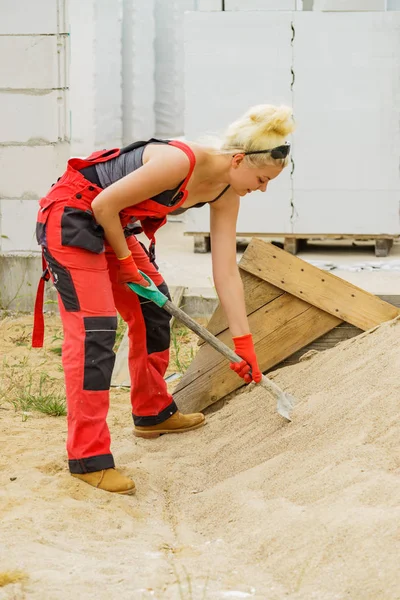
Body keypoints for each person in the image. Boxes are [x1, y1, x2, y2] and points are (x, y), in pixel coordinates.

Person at [32, 103, 295, 495]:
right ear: (238, 159)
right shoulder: (179, 161)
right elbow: (103, 203)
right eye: (261, 178)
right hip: (73, 214)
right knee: (95, 332)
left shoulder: (226, 191)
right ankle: (88, 459)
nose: (262, 188)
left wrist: (244, 343)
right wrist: (124, 260)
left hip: (111, 222)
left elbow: (225, 271)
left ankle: (152, 411)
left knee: (154, 308)